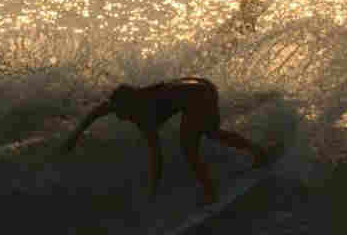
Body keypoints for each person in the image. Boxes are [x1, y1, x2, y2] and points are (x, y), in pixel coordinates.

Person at [62, 77, 268, 201]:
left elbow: (157, 156)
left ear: (131, 106)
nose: (117, 116)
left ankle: (210, 194)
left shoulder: (145, 116)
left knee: (189, 148)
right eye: (115, 109)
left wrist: (153, 189)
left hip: (198, 96)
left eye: (121, 111)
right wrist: (75, 136)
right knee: (211, 133)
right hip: (203, 86)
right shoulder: (121, 102)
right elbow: (95, 113)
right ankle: (258, 152)